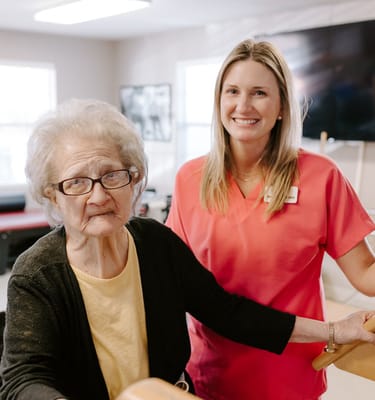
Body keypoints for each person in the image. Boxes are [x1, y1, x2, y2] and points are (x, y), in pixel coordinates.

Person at [0, 99, 374, 400]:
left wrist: (334, 330)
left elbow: (227, 312)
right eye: (78, 182)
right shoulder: (36, 274)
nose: (99, 195)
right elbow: (22, 379)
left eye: (112, 175)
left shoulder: (156, 245)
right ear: (52, 193)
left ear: (133, 179)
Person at [166, 39, 375, 400]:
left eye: (259, 93)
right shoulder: (190, 179)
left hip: (289, 377)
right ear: (219, 101)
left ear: (281, 106)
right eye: (232, 91)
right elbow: (174, 281)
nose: (243, 106)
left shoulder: (320, 176)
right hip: (210, 374)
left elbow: (366, 275)